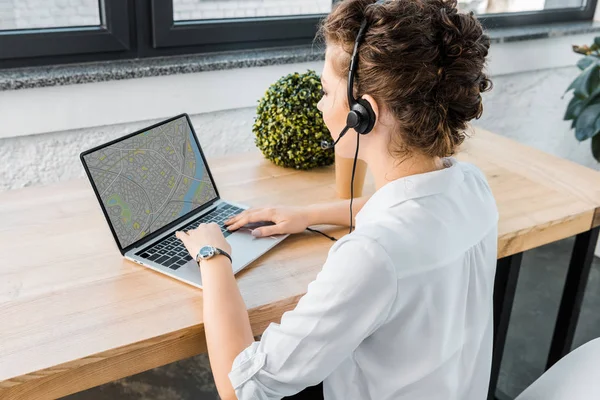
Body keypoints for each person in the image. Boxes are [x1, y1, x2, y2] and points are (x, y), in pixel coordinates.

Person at [175, 0, 497, 399]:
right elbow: (409, 212)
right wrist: (307, 214)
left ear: (363, 115)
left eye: (327, 92)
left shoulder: (372, 256)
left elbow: (240, 387)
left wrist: (213, 255)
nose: (320, 104)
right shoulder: (470, 184)